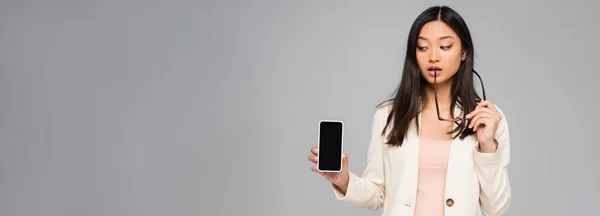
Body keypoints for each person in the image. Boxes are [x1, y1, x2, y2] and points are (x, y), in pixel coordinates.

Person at [307, 5, 511, 216]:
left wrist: (487, 146)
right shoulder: (389, 116)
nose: (433, 57)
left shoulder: (487, 119)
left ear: (464, 52)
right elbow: (377, 193)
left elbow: (497, 208)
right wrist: (343, 180)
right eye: (422, 47)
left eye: (445, 46)